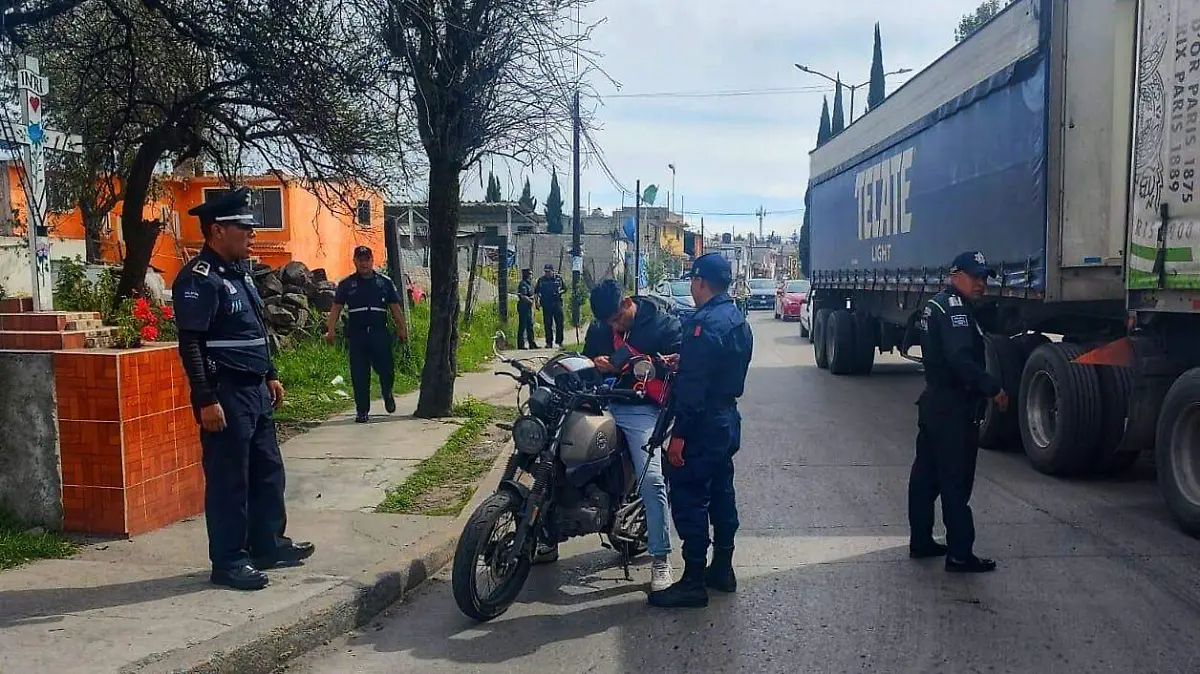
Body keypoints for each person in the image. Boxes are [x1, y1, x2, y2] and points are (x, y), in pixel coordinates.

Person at [172, 186, 314, 591]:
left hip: (255, 390)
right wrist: (205, 398)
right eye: (244, 228)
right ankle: (230, 560)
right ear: (217, 231)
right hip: (226, 392)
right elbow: (192, 344)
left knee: (268, 471)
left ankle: (268, 544)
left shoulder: (241, 275)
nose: (252, 236)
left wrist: (270, 373)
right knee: (230, 480)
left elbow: (256, 331)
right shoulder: (199, 280)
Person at [649, 253, 753, 609]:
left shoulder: (701, 325)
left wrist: (679, 437)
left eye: (693, 282)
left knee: (690, 498)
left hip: (702, 424)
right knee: (722, 492)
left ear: (700, 282)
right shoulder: (737, 318)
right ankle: (722, 568)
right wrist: (687, 360)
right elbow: (722, 366)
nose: (692, 289)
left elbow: (693, 392)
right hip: (726, 419)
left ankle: (693, 580)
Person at [568, 279, 682, 591]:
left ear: (628, 301)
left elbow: (679, 366)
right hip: (600, 401)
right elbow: (587, 361)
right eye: (610, 323)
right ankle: (543, 536)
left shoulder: (663, 325)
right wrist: (595, 363)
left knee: (652, 477)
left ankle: (661, 558)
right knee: (558, 452)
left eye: (619, 319)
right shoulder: (600, 328)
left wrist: (636, 366)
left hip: (640, 407)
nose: (615, 326)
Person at [908, 250, 1008, 573]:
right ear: (956, 276)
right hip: (953, 409)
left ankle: (921, 541)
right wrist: (992, 388)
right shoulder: (955, 312)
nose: (981, 284)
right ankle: (960, 554)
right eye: (975, 277)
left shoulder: (936, 304)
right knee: (955, 482)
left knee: (926, 477)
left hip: (934, 404)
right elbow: (960, 359)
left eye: (984, 278)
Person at [326, 246, 409, 423]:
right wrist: (331, 330)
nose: (364, 263)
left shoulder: (384, 283)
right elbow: (336, 309)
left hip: (379, 333)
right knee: (359, 374)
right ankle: (362, 410)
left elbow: (395, 308)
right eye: (360, 259)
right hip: (357, 335)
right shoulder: (347, 284)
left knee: (387, 370)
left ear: (372, 260)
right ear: (354, 261)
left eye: (367, 259)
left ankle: (387, 392)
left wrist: (402, 328)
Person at [535, 263, 566, 348]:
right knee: (548, 324)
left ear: (552, 271)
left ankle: (559, 341)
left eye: (548, 271)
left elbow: (564, 288)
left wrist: (559, 292)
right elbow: (536, 292)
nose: (547, 273)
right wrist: (536, 302)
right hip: (546, 304)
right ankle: (549, 342)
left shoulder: (558, 278)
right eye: (546, 271)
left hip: (557, 303)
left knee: (559, 323)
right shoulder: (541, 280)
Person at [516, 268, 539, 349]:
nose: (531, 276)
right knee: (522, 325)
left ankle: (532, 344)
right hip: (523, 306)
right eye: (530, 274)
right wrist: (530, 301)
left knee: (530, 325)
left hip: (528, 307)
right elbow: (523, 296)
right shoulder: (523, 284)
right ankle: (520, 345)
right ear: (527, 275)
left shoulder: (529, 284)